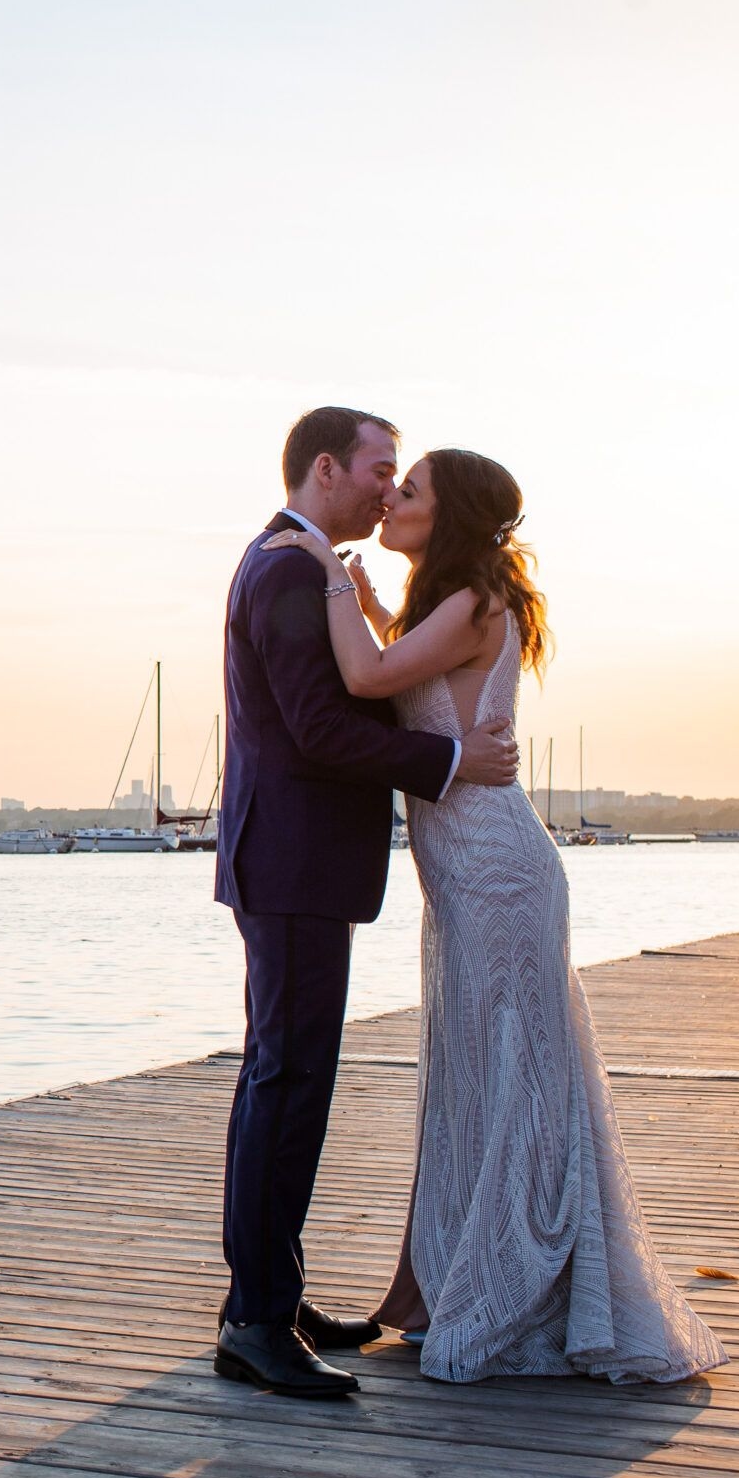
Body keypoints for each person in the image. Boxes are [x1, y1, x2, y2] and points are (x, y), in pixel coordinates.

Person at [265, 446, 726, 1385]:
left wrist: (327, 578)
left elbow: (366, 678)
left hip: (499, 875)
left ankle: (519, 1290)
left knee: (512, 1081)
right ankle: (449, 1283)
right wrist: (372, 601)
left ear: (455, 515)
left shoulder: (473, 604)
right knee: (476, 1078)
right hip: (470, 876)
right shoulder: (458, 603)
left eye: (413, 488)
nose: (393, 497)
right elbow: (412, 678)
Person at [213, 408, 521, 1398]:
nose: (387, 490)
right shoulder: (292, 570)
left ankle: (268, 1294)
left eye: (402, 477)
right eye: (379, 470)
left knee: (283, 1076)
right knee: (288, 1080)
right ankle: (255, 1320)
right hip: (294, 866)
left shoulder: (299, 566)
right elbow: (314, 731)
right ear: (325, 469)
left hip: (294, 865)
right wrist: (446, 758)